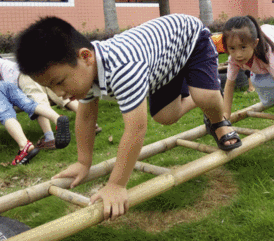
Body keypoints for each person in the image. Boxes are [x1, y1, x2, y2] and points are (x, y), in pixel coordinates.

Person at [14, 14, 242, 221]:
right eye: (51, 87)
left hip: (190, 41)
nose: (60, 93)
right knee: (165, 116)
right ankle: (197, 92)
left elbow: (135, 130)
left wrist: (116, 184)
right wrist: (84, 162)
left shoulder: (123, 69)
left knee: (206, 96)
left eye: (59, 82)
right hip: (161, 63)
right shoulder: (87, 68)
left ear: (85, 57)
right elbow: (85, 117)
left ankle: (217, 120)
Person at [0, 53, 98, 149]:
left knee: (37, 101)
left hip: (24, 76)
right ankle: (92, 124)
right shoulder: (7, 64)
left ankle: (49, 138)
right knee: (60, 97)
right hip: (36, 73)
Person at [222, 16, 274, 133]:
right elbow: (229, 85)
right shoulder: (233, 59)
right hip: (264, 60)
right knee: (260, 84)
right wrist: (225, 115)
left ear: (255, 43)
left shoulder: (267, 52)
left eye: (243, 47)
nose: (238, 55)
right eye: (232, 48)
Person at [0, 81, 71, 165]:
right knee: (29, 105)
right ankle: (57, 119)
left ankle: (24, 145)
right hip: (6, 84)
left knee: (5, 114)